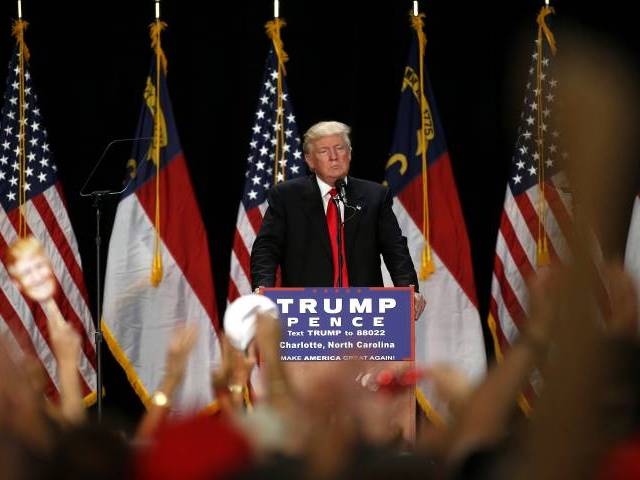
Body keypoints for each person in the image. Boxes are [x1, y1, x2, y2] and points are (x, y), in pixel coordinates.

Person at [251, 120, 426, 319]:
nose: (334, 157)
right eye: (324, 151)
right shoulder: (286, 197)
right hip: (306, 312)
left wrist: (409, 290)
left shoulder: (375, 196)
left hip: (363, 311)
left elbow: (395, 248)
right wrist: (262, 289)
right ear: (309, 160)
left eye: (339, 148)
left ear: (349, 154)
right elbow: (266, 248)